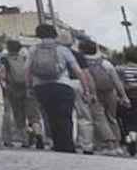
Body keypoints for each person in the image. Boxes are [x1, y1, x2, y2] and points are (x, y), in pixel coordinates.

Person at [28, 24, 92, 153]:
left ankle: (57, 146)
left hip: (41, 87)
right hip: (62, 86)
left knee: (51, 117)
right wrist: (86, 89)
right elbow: (78, 71)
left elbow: (27, 70)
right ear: (54, 34)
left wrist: (29, 87)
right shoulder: (62, 49)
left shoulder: (33, 49)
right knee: (65, 117)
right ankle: (68, 147)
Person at [81, 38, 130, 155]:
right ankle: (118, 146)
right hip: (110, 92)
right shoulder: (105, 62)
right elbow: (116, 80)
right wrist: (124, 96)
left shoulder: (83, 63)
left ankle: (109, 145)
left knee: (99, 119)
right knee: (112, 118)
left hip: (95, 94)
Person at [1, 39, 43, 147]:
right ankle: (38, 135)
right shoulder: (25, 58)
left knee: (19, 116)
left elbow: (3, 75)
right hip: (28, 89)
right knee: (33, 116)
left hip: (14, 90)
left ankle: (25, 141)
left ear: (8, 48)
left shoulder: (4, 59)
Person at [116, 47, 137, 152]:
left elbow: (119, 84)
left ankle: (130, 142)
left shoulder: (121, 69)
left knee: (128, 123)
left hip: (127, 98)